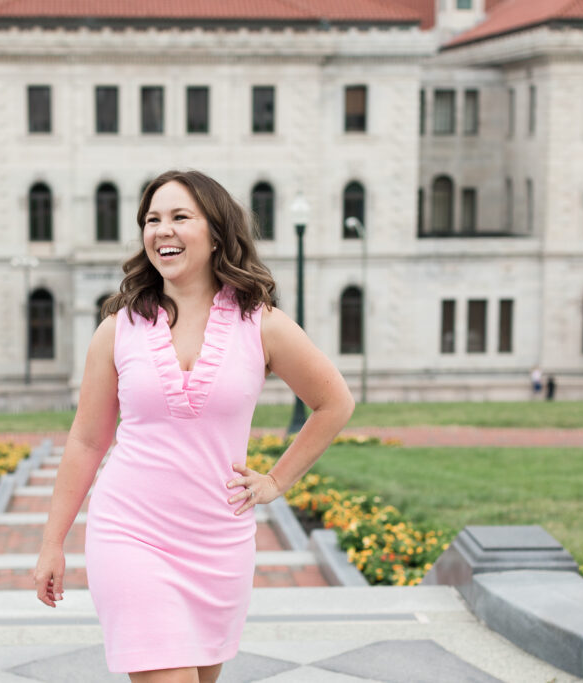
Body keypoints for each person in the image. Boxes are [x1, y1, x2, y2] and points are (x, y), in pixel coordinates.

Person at [33, 170, 354, 683]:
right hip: (129, 532)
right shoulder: (116, 330)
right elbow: (87, 441)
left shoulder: (263, 324)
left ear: (217, 233)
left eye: (180, 217)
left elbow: (333, 402)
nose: (163, 230)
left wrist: (276, 480)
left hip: (219, 544)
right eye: (152, 219)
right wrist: (53, 541)